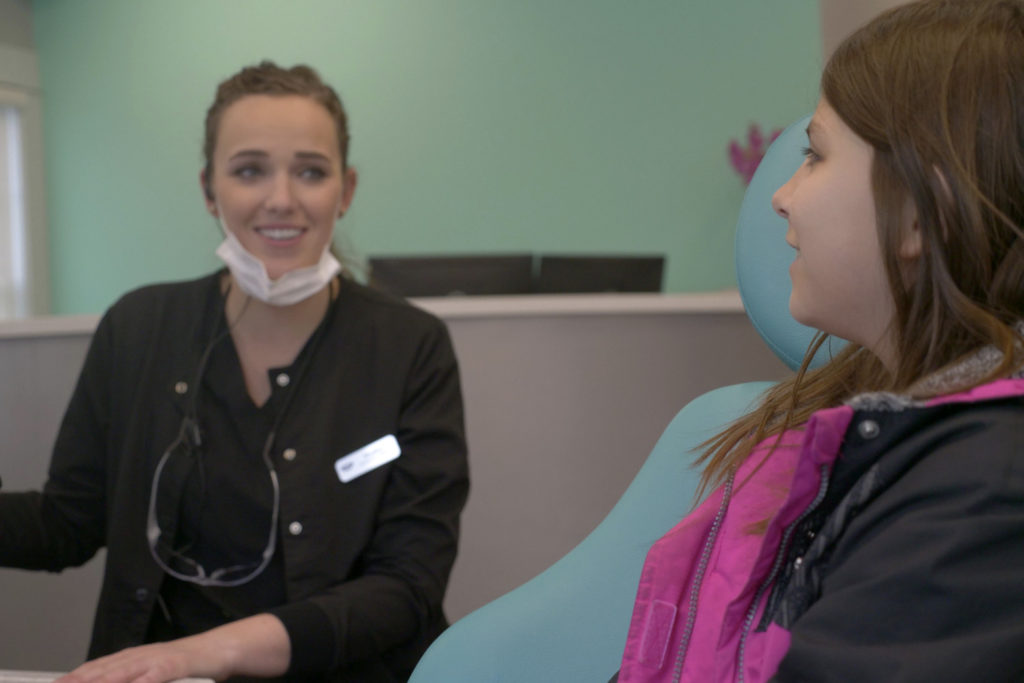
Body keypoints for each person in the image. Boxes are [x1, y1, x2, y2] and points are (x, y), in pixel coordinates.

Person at [0, 61, 469, 683]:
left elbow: (407, 584)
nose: (281, 198)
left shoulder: (410, 346)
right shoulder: (140, 326)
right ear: (208, 187)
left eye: (310, 171)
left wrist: (202, 653)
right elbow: (68, 523)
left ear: (346, 189)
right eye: (249, 170)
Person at [615, 1, 1024, 681]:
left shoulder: (986, 491)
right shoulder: (833, 434)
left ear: (924, 214)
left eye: (814, 155)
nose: (780, 196)